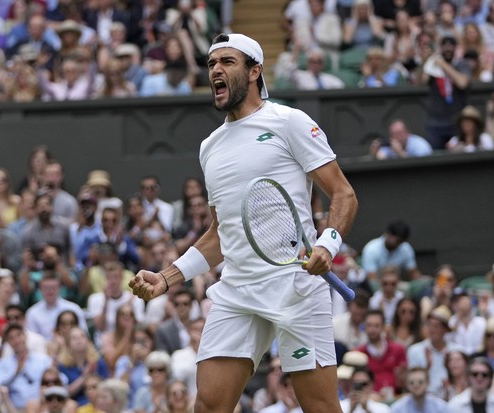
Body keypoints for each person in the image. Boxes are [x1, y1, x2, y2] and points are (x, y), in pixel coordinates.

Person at [129, 33, 359, 413]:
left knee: (319, 407)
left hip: (296, 287)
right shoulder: (209, 147)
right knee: (208, 406)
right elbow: (221, 233)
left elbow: (343, 194)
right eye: (211, 64)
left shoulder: (290, 122)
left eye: (227, 62)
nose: (215, 70)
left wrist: (327, 244)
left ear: (255, 71)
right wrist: (167, 278)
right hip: (238, 291)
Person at [422, 35, 472, 150]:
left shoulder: (462, 64)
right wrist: (426, 62)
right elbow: (422, 81)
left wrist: (443, 64)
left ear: (456, 48)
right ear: (440, 48)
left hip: (458, 121)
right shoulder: (433, 65)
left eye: (451, 46)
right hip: (436, 121)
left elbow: (462, 83)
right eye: (444, 46)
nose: (448, 49)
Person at [407, 305, 465, 398]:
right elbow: (413, 380)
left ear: (445, 329)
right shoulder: (415, 351)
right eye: (429, 325)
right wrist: (427, 368)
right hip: (424, 398)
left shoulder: (457, 351)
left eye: (436, 326)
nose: (432, 330)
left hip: (452, 397)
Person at [355, 309, 407, 400]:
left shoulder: (398, 349)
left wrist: (402, 378)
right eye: (369, 325)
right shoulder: (358, 353)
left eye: (376, 326)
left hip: (396, 397)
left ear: (383, 327)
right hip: (370, 399)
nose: (372, 329)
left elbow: (404, 382)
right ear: (364, 327)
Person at [448, 288, 487, 355]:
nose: (460, 303)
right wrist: (460, 314)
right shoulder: (451, 322)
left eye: (462, 299)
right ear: (452, 305)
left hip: (478, 358)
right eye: (456, 301)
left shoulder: (481, 322)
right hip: (458, 360)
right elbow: (448, 343)